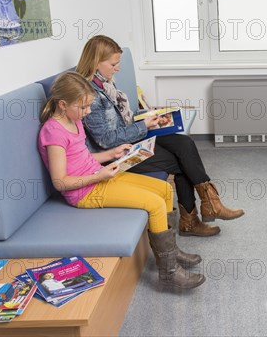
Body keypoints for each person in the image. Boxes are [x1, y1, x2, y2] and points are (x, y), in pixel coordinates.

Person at [38, 72, 204, 289]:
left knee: (164, 188)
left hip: (99, 176)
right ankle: (169, 273)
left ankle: (171, 253)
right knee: (154, 204)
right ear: (62, 104)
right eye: (84, 107)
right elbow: (60, 182)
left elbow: (83, 158)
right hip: (85, 192)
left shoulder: (73, 120)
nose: (88, 112)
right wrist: (99, 175)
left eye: (89, 106)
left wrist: (112, 154)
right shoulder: (53, 133)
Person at [76, 35, 244, 238]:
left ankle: (210, 205)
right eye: (113, 63)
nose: (118, 68)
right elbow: (106, 140)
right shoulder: (90, 96)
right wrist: (143, 126)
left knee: (184, 143)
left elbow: (124, 119)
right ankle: (196, 217)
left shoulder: (106, 85)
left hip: (131, 137)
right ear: (96, 61)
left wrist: (151, 116)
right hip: (117, 155)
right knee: (183, 163)